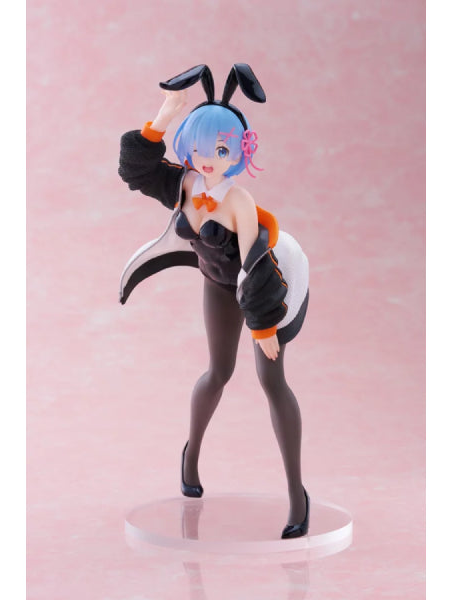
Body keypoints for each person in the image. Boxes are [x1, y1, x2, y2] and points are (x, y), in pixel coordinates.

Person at [118, 64, 310, 539]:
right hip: (216, 284)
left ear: (240, 151)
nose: (208, 160)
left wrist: (264, 326)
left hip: (267, 285)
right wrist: (165, 116)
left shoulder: (238, 202)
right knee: (217, 373)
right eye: (201, 149)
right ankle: (191, 456)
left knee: (272, 381)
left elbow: (255, 264)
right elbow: (136, 171)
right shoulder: (186, 185)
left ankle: (296, 494)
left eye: (221, 150)